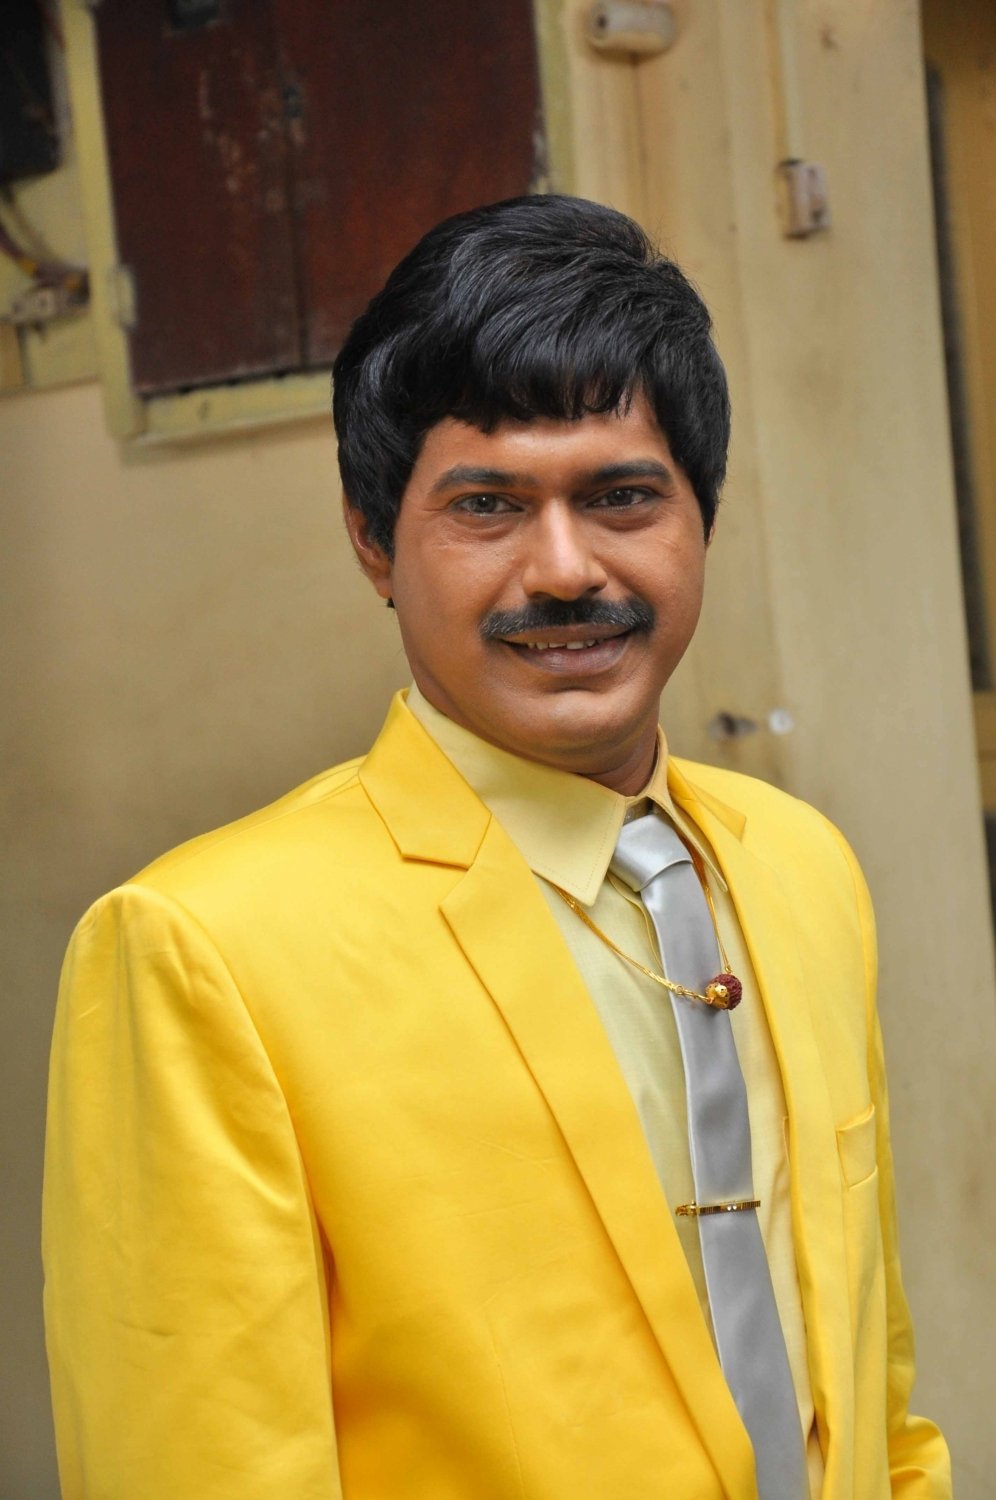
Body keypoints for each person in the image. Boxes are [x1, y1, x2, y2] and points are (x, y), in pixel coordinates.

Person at [43, 195, 951, 1500]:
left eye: (623, 496)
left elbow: (876, 1400)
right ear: (374, 543)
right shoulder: (204, 952)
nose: (566, 569)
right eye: (487, 505)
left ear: (703, 518)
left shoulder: (804, 868)